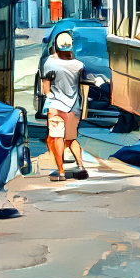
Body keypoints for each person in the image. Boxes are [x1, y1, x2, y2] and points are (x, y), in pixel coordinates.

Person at [41, 31, 90, 181]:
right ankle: (81, 165)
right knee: (71, 139)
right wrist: (85, 108)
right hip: (74, 107)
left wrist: (51, 98)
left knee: (57, 138)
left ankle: (61, 171)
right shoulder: (79, 65)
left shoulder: (49, 62)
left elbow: (46, 88)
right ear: (71, 46)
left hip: (56, 107)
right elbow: (84, 88)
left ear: (56, 46)